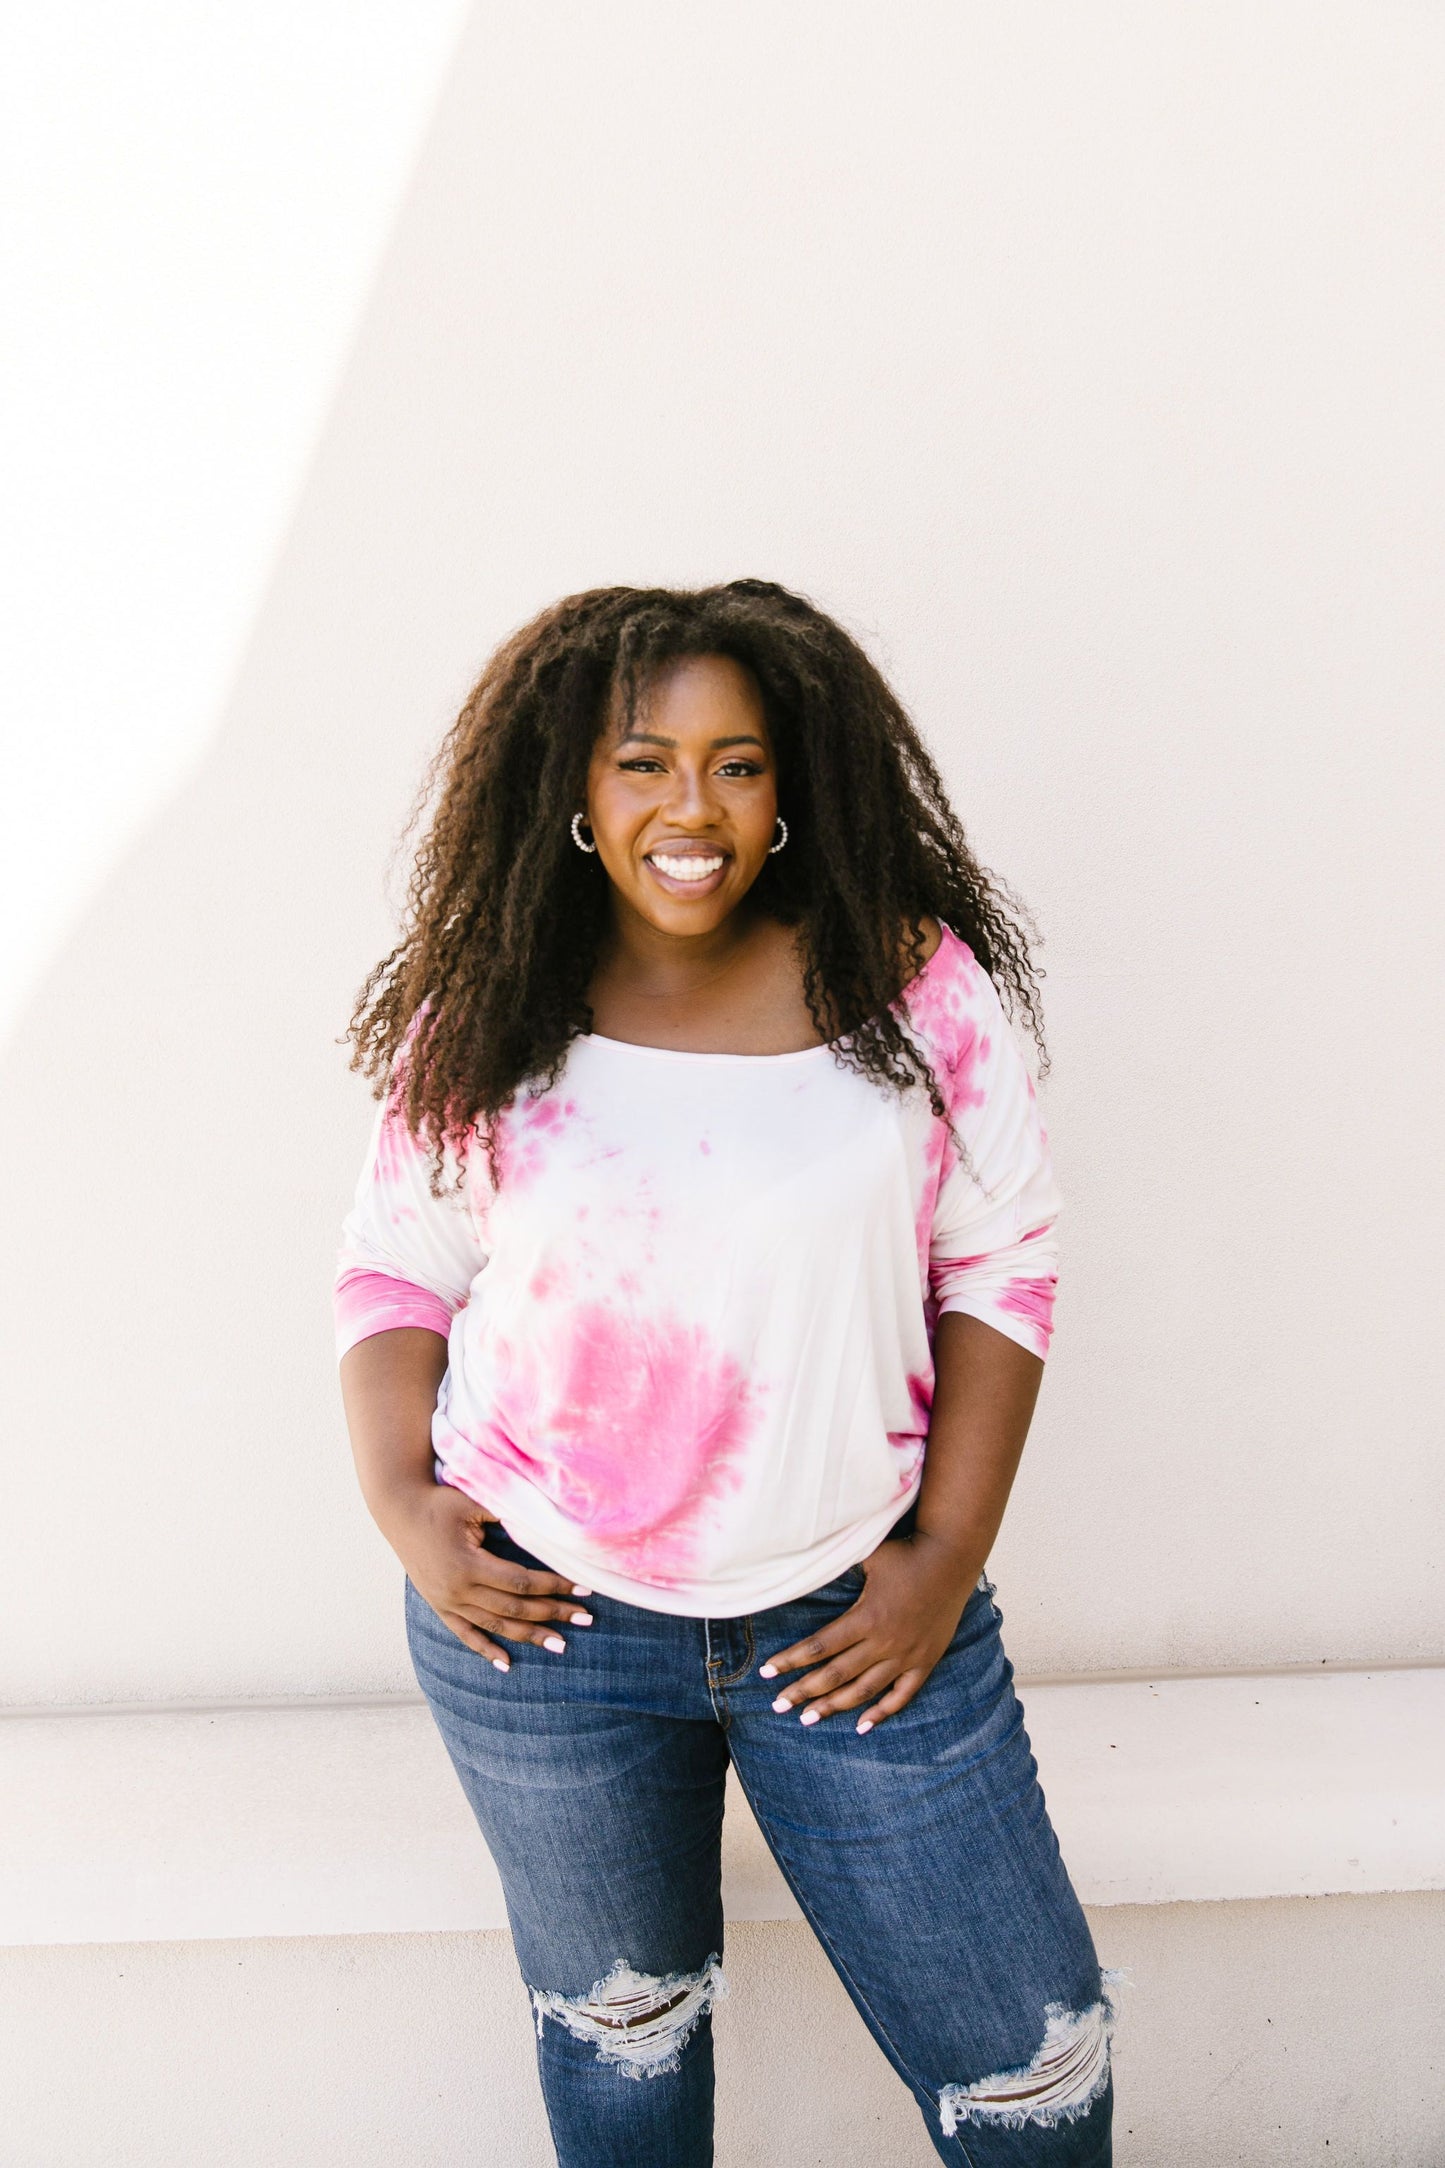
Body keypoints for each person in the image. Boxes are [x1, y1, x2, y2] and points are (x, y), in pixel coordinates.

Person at [334, 579, 1115, 2166]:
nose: (690, 805)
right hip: (544, 1633)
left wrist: (939, 1563)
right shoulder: (495, 1002)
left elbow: (1002, 1268)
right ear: (571, 788)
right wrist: (406, 1509)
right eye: (642, 762)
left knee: (1025, 2074)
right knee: (623, 2047)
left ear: (789, 789)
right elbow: (395, 1267)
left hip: (857, 1617)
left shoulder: (904, 983)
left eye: (737, 763)